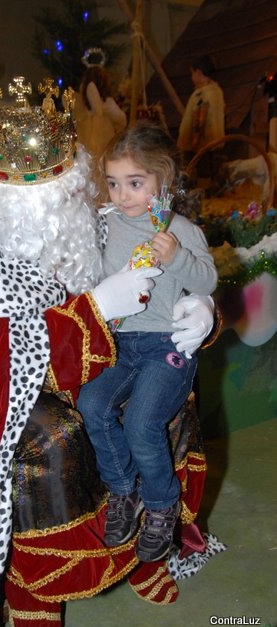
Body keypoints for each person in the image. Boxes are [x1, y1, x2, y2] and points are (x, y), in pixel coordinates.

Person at [0, 78, 216, 627]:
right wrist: (94, 310)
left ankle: (144, 552)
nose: (66, 201)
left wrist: (203, 307)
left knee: (165, 402)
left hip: (96, 357)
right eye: (47, 189)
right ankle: (38, 591)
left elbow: (162, 270)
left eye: (64, 186)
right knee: (58, 438)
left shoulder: (76, 223)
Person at [77, 122, 218, 563]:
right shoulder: (107, 225)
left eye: (135, 183)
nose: (123, 195)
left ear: (163, 179)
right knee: (92, 405)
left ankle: (161, 504)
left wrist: (176, 258)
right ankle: (123, 489)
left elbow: (207, 280)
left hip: (166, 345)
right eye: (114, 183)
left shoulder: (179, 230)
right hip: (120, 344)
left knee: (141, 422)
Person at [74, 48, 127, 167]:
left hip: (85, 149)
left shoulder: (81, 104)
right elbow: (121, 119)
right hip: (104, 148)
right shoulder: (106, 103)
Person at [177, 54, 225, 164]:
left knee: (197, 171)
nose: (192, 77)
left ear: (198, 72)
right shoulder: (216, 91)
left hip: (201, 147)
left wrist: (195, 139)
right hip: (215, 143)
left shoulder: (201, 93)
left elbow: (200, 116)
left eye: (192, 73)